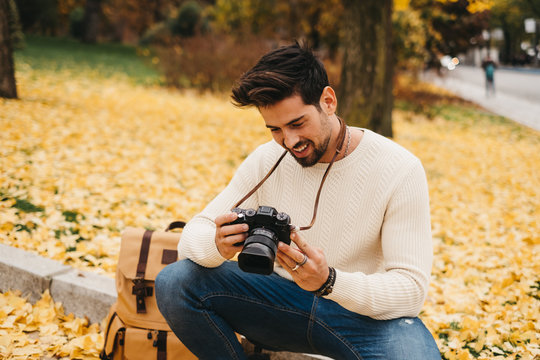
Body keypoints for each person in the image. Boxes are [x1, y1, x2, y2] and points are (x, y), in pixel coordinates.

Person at [155, 43, 441, 360]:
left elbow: (410, 290)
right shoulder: (267, 159)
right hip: (280, 304)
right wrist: (217, 244)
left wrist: (330, 281)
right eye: (275, 129)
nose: (289, 142)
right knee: (175, 281)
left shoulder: (400, 168)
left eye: (297, 123)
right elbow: (192, 237)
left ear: (328, 101)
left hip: (363, 319)